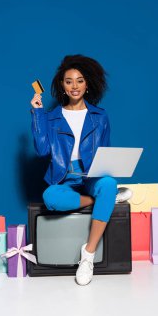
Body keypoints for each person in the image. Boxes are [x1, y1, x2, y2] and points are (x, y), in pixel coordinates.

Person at [30, 54, 117, 286]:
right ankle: (100, 200)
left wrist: (105, 172)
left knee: (108, 184)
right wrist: (38, 114)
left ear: (87, 84)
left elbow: (105, 151)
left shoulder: (101, 116)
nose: (74, 86)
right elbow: (41, 151)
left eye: (79, 80)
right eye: (69, 81)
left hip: (91, 174)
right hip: (65, 175)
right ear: (62, 85)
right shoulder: (50, 118)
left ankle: (87, 255)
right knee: (50, 197)